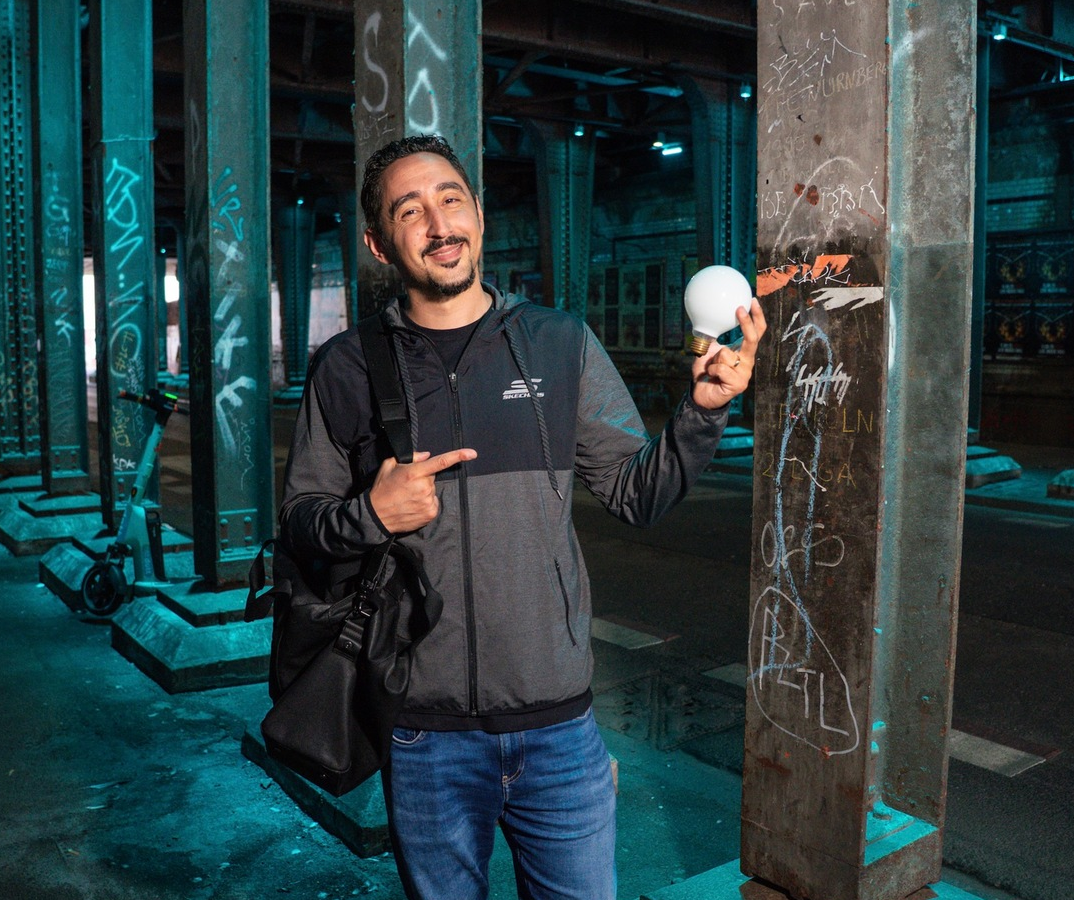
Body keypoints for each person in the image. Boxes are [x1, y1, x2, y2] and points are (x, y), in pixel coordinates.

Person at [280, 134, 767, 900]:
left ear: (477, 214)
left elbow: (636, 494)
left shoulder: (559, 343)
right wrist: (371, 514)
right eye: (410, 211)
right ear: (378, 244)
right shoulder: (346, 367)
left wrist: (703, 411)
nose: (438, 225)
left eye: (450, 200)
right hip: (423, 733)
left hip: (560, 732)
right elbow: (301, 523)